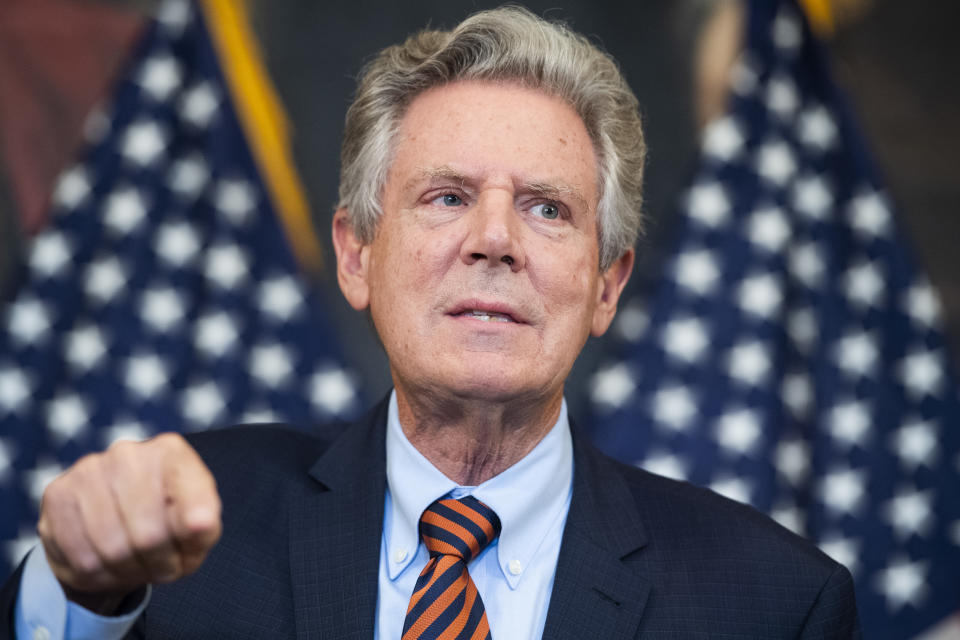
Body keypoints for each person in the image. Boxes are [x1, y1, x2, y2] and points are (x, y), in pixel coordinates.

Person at [2, 6, 860, 639]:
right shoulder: (190, 543)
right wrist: (80, 591)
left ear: (607, 285)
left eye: (547, 209)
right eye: (446, 197)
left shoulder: (774, 603)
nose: (494, 240)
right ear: (356, 255)